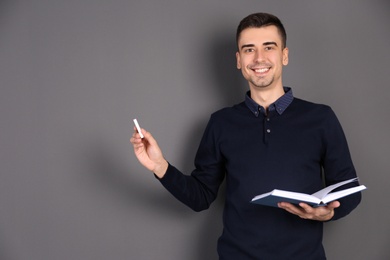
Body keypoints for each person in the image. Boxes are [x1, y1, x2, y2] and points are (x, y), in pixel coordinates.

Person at [130, 12, 362, 259]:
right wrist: (160, 166)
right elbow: (200, 197)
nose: (259, 58)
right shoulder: (221, 123)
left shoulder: (321, 118)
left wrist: (330, 212)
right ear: (239, 60)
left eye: (269, 47)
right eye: (249, 50)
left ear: (284, 55)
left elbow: (350, 191)